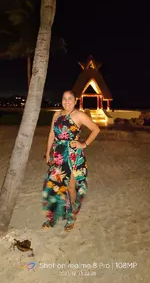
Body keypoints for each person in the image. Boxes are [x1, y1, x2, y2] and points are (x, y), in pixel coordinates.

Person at [42, 90, 100, 231]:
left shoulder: (79, 115)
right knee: (56, 184)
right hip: (58, 154)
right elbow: (51, 134)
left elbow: (96, 129)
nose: (67, 101)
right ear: (61, 100)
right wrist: (47, 152)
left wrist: (83, 144)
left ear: (75, 101)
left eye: (70, 99)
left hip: (73, 156)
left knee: (70, 186)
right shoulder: (56, 114)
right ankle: (53, 216)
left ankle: (71, 216)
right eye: (64, 98)